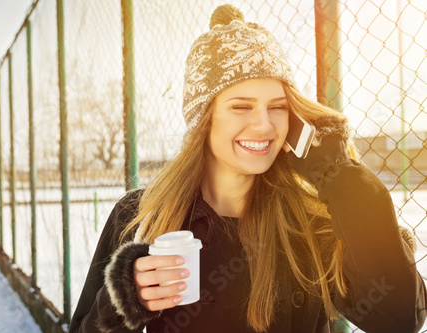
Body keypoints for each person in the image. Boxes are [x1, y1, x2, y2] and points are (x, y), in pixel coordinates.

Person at [69, 4, 426, 333]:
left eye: (278, 107)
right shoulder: (141, 216)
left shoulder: (312, 222)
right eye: (241, 106)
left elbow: (398, 318)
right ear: (203, 120)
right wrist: (124, 300)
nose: (264, 126)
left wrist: (338, 173)